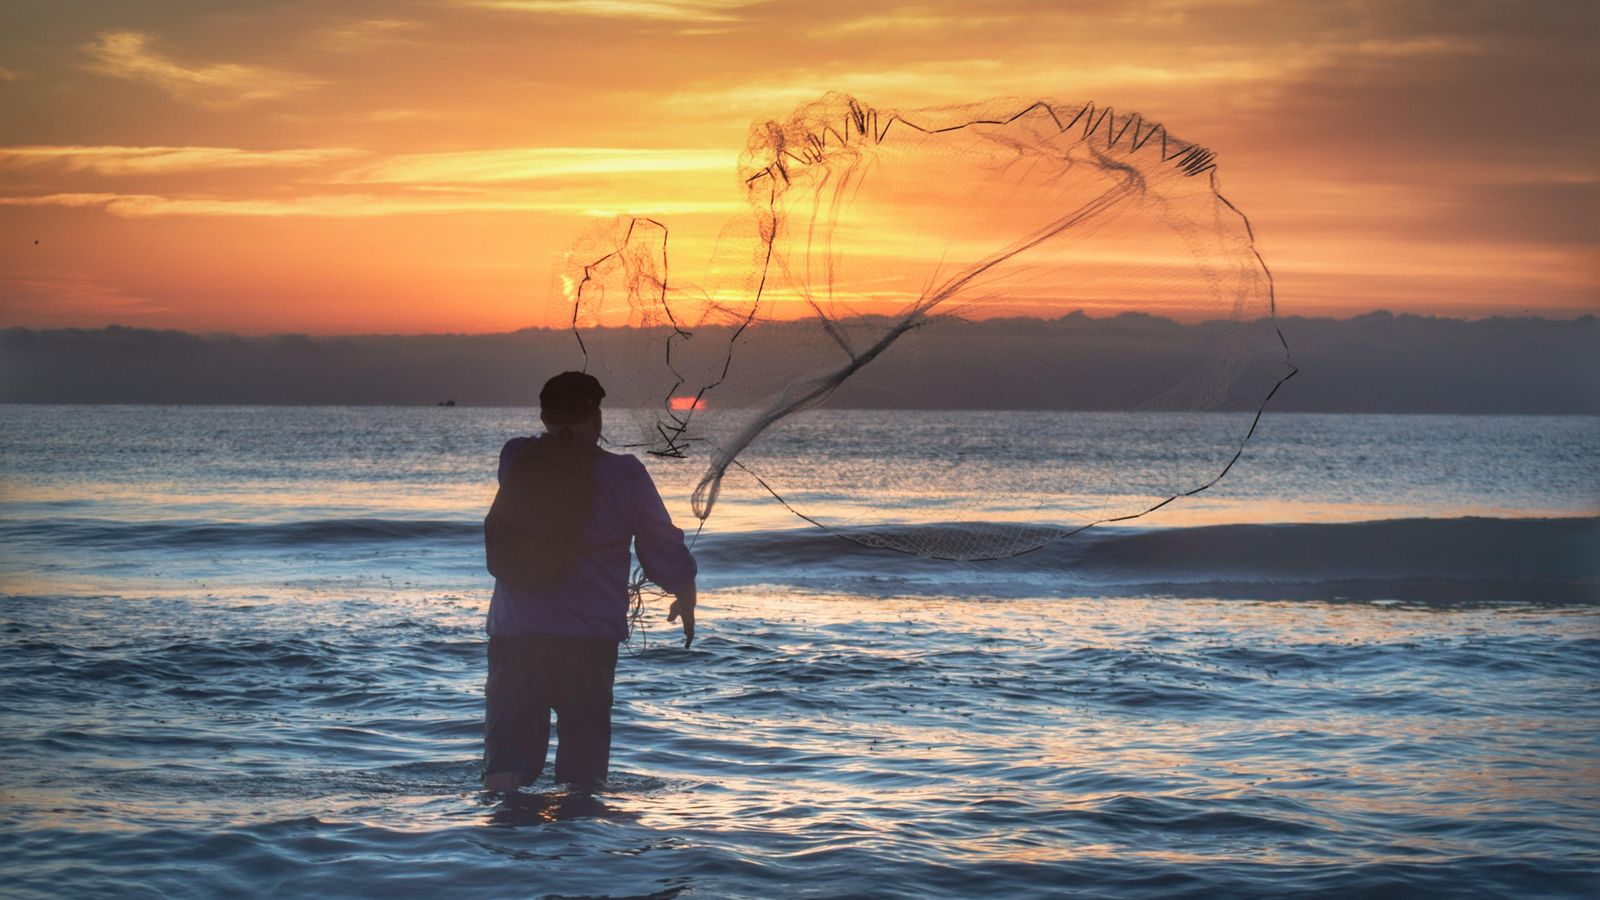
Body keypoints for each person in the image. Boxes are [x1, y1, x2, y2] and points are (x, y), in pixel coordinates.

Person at [482, 371, 698, 792]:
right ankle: (583, 854)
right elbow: (661, 545)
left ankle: (499, 850)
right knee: (584, 776)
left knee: (505, 769)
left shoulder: (514, 458)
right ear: (596, 417)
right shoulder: (626, 475)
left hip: (516, 634)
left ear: (544, 417)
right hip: (587, 641)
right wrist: (684, 590)